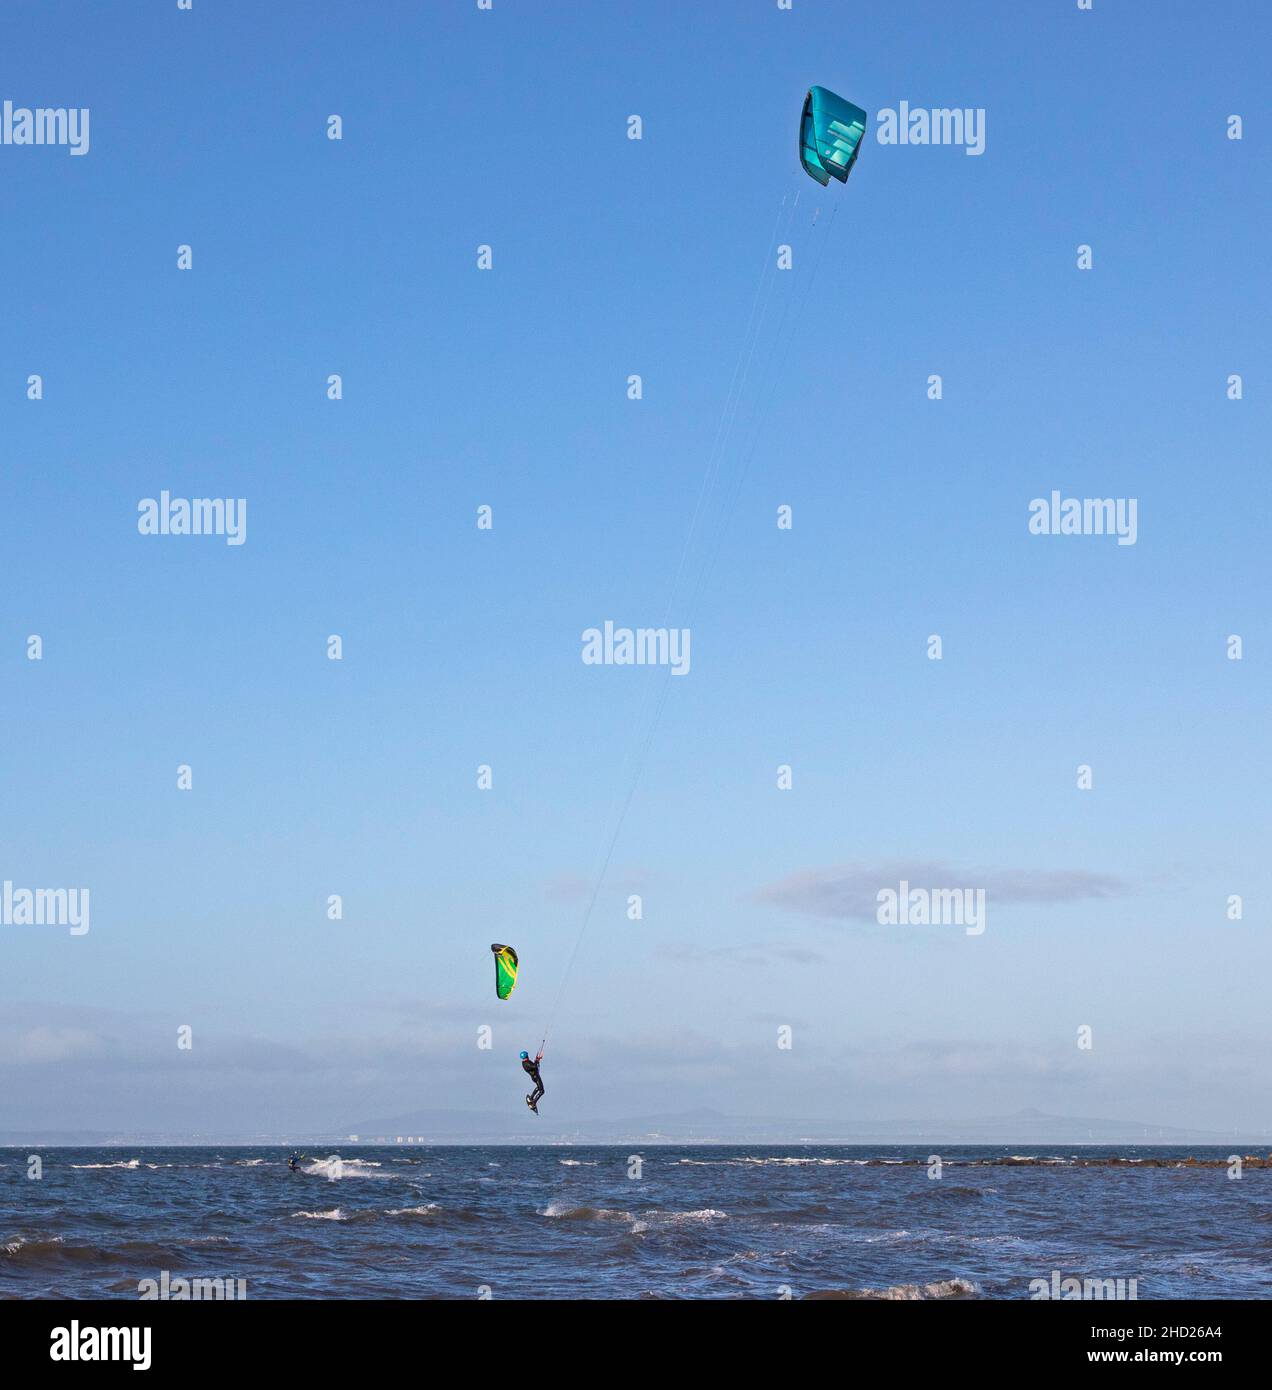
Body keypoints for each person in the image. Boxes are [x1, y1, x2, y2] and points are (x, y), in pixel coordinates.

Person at [520, 1049, 545, 1113]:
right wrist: (537, 1060)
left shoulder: (525, 1062)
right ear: (526, 1056)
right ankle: (533, 1102)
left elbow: (533, 1066)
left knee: (538, 1087)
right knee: (542, 1091)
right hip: (536, 1077)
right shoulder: (526, 1063)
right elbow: (534, 1066)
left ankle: (531, 1098)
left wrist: (537, 1059)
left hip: (534, 1077)